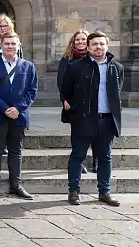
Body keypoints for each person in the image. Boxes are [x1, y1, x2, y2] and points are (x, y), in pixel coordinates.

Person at [62, 31, 124, 207]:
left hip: (107, 120)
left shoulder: (117, 68)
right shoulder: (75, 67)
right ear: (88, 47)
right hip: (83, 119)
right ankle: (73, 192)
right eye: (94, 44)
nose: (98, 47)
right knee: (77, 156)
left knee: (105, 157)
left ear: (107, 45)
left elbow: (117, 92)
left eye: (101, 44)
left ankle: (104, 192)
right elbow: (66, 90)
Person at [0, 32, 38, 201]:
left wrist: (18, 109)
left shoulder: (28, 66)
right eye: (7, 44)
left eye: (13, 44)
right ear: (1, 45)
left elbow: (31, 91)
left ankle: (16, 184)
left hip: (18, 117)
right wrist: (4, 108)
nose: (10, 47)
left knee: (16, 151)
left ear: (18, 45)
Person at [58, 30, 94, 173]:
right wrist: (65, 98)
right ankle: (80, 162)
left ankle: (96, 160)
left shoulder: (94, 58)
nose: (80, 42)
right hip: (74, 102)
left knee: (95, 133)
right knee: (77, 132)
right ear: (73, 42)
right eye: (77, 40)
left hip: (93, 102)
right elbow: (61, 81)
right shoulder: (67, 59)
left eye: (83, 40)